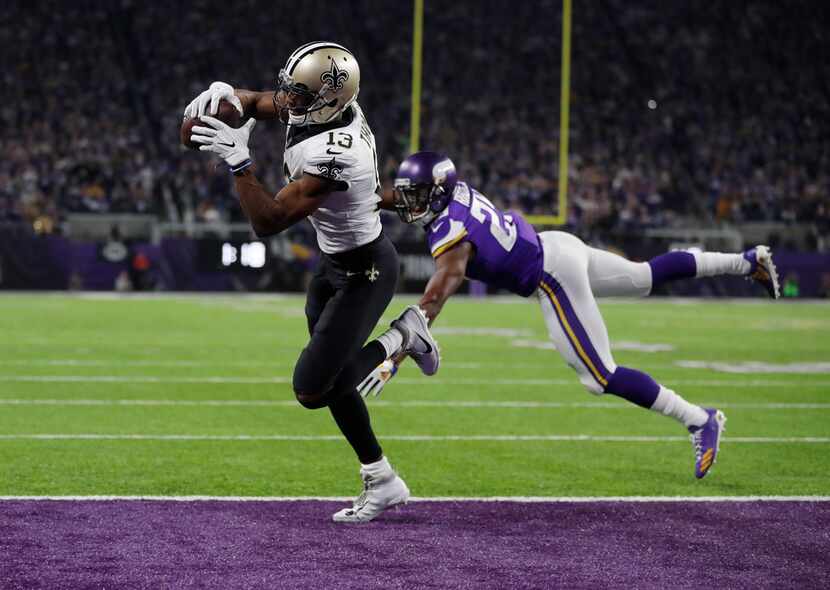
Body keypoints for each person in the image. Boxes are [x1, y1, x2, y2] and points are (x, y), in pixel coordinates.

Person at [362, 151, 780, 479]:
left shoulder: (449, 232)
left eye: (416, 195)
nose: (408, 202)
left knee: (599, 376)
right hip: (559, 245)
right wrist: (355, 195)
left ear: (436, 193)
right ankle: (747, 262)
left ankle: (699, 419)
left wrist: (394, 356)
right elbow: (394, 196)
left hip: (552, 275)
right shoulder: (453, 193)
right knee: (645, 276)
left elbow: (435, 298)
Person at [183, 42, 439, 522]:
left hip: (367, 270)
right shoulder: (322, 104)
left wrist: (241, 165)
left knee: (311, 389)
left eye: (300, 96)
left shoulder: (336, 153)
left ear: (330, 99)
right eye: (292, 90)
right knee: (333, 384)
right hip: (332, 264)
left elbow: (269, 219)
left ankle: (406, 333)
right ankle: (381, 479)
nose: (288, 102)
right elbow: (263, 102)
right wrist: (227, 96)